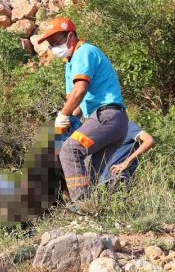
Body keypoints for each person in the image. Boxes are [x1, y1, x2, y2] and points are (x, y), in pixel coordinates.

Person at [40, 17, 129, 202]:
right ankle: (94, 209)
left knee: (70, 150)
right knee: (87, 173)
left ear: (71, 36)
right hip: (111, 122)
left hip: (107, 116)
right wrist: (63, 126)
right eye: (51, 45)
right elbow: (75, 104)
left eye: (56, 42)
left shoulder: (84, 52)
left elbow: (80, 90)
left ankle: (81, 206)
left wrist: (62, 115)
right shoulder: (70, 63)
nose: (54, 47)